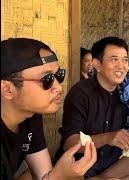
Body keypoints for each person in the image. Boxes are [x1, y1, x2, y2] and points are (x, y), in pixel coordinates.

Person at [56, 36, 129, 179]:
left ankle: (103, 178)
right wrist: (108, 138)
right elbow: (69, 143)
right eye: (114, 59)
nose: (121, 65)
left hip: (115, 159)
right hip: (83, 162)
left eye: (125, 60)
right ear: (97, 65)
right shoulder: (80, 93)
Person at [1, 38, 97, 180]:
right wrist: (58, 176)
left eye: (59, 75)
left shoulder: (30, 115)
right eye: (47, 79)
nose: (58, 86)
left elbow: (43, 174)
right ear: (7, 89)